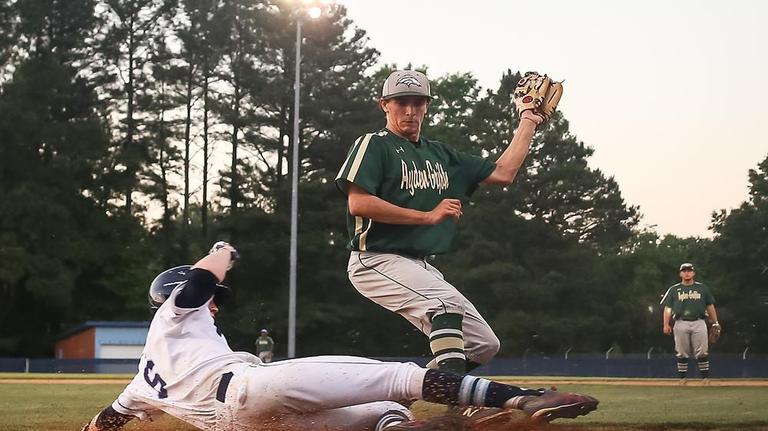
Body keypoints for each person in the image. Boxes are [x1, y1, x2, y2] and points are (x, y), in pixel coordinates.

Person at [80, 242, 598, 431]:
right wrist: (223, 251)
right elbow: (198, 283)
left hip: (253, 425)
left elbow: (109, 420)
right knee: (397, 378)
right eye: (216, 298)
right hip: (248, 389)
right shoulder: (173, 316)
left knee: (380, 414)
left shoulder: (142, 380)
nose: (216, 304)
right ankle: (525, 398)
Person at [335, 70, 545, 375]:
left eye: (417, 103)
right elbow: (359, 203)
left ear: (427, 106)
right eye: (400, 102)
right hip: (375, 259)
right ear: (384, 105)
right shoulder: (374, 144)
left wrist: (528, 120)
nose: (409, 110)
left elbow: (504, 172)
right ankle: (455, 406)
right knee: (444, 306)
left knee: (483, 345)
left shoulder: (440, 155)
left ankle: (407, 393)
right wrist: (427, 216)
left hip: (418, 265)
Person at [660, 262, 720, 384]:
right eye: (684, 271)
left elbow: (710, 306)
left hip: (699, 321)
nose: (687, 273)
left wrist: (715, 322)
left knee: (702, 351)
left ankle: (705, 379)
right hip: (680, 322)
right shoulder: (674, 289)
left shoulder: (702, 288)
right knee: (681, 351)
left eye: (689, 270)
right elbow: (667, 308)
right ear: (680, 273)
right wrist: (666, 324)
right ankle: (682, 379)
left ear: (693, 273)